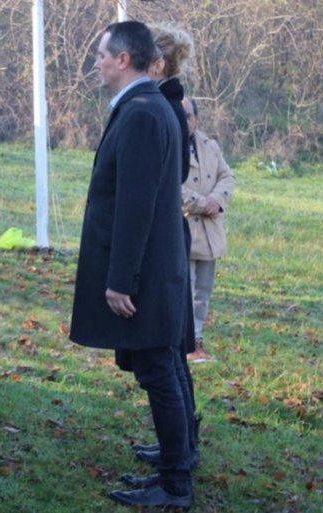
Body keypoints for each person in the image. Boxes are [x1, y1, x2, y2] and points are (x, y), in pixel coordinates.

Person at [69, 21, 193, 509]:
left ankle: (176, 483)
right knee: (163, 366)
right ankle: (175, 466)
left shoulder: (143, 113)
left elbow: (136, 206)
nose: (96, 62)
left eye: (102, 54)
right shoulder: (148, 106)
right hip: (157, 266)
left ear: (123, 60)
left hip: (147, 271)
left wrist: (120, 280)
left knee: (159, 370)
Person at [125, 22, 201, 474]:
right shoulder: (171, 103)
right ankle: (183, 447)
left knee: (168, 357)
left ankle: (181, 457)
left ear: (156, 62)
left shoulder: (165, 107)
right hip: (172, 235)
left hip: (165, 239)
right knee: (173, 354)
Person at [182, 97, 235, 362]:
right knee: (185, 290)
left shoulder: (209, 146)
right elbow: (168, 185)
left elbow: (227, 176)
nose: (185, 121)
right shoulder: (167, 143)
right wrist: (203, 203)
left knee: (203, 291)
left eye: (188, 115)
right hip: (183, 229)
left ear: (196, 118)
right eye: (180, 115)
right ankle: (184, 343)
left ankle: (196, 340)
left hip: (209, 231)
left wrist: (216, 200)